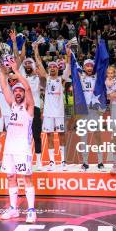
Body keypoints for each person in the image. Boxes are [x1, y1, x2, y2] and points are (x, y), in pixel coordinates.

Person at [0, 59, 37, 223]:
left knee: (26, 178)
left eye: (20, 91)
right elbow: (3, 87)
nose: (18, 93)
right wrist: (3, 71)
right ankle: (13, 209)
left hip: (23, 148)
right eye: (16, 91)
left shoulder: (29, 107)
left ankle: (31, 210)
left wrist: (16, 70)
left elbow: (27, 87)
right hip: (9, 149)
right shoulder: (12, 105)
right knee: (10, 177)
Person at [35, 43, 71, 171]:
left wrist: (68, 55)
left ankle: (62, 161)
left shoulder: (61, 80)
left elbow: (69, 68)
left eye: (54, 67)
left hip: (59, 112)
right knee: (49, 135)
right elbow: (39, 63)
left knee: (61, 135)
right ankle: (51, 161)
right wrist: (35, 49)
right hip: (49, 113)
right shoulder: (47, 79)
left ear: (57, 69)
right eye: (50, 67)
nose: (52, 69)